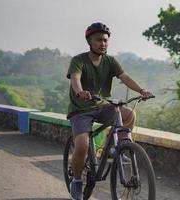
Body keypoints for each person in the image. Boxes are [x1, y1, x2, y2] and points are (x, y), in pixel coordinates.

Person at [66, 22, 153, 200]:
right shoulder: (79, 60)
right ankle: (76, 181)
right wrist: (79, 91)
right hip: (81, 109)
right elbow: (75, 78)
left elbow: (125, 77)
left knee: (128, 113)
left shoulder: (110, 61)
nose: (103, 43)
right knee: (82, 145)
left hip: (102, 105)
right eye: (98, 40)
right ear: (89, 41)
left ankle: (120, 147)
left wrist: (141, 91)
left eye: (105, 40)